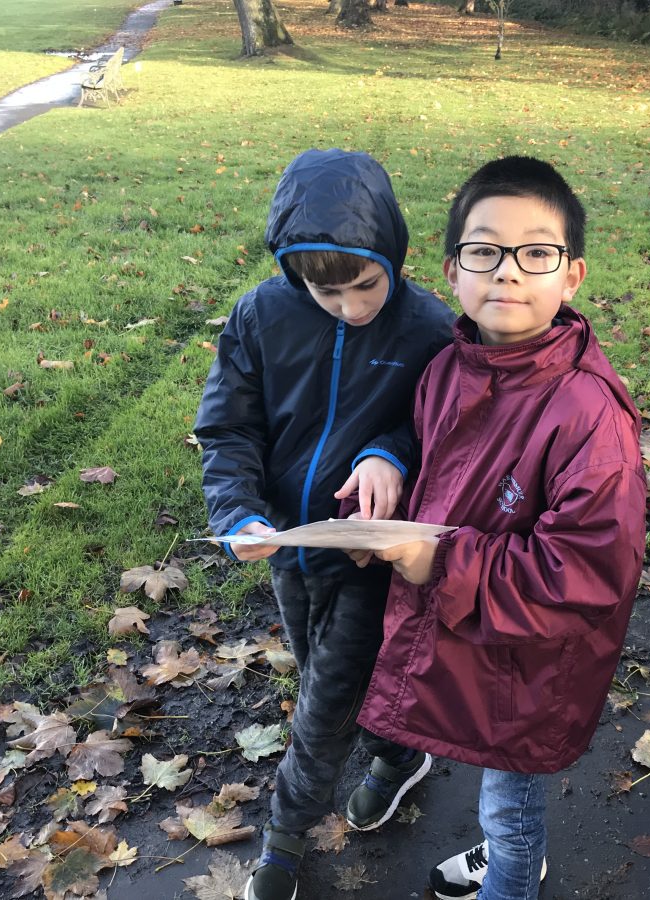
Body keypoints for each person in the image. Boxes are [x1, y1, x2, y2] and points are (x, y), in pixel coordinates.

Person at [350, 156, 646, 900]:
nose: (508, 271)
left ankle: (511, 880)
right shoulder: (449, 369)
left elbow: (584, 572)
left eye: (536, 253)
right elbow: (437, 469)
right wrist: (386, 508)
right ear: (453, 271)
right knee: (489, 774)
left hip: (530, 662)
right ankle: (512, 856)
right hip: (468, 633)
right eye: (484, 251)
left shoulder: (588, 415)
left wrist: (439, 562)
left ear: (571, 276)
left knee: (507, 803)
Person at [193, 148, 455, 900]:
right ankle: (399, 754)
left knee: (325, 703)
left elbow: (443, 432)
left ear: (392, 254)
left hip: (370, 557)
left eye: (366, 285)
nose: (349, 307)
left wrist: (390, 453)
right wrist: (238, 511)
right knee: (323, 675)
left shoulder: (430, 329)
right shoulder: (261, 316)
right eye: (324, 291)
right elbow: (228, 428)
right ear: (293, 275)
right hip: (286, 546)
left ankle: (284, 839)